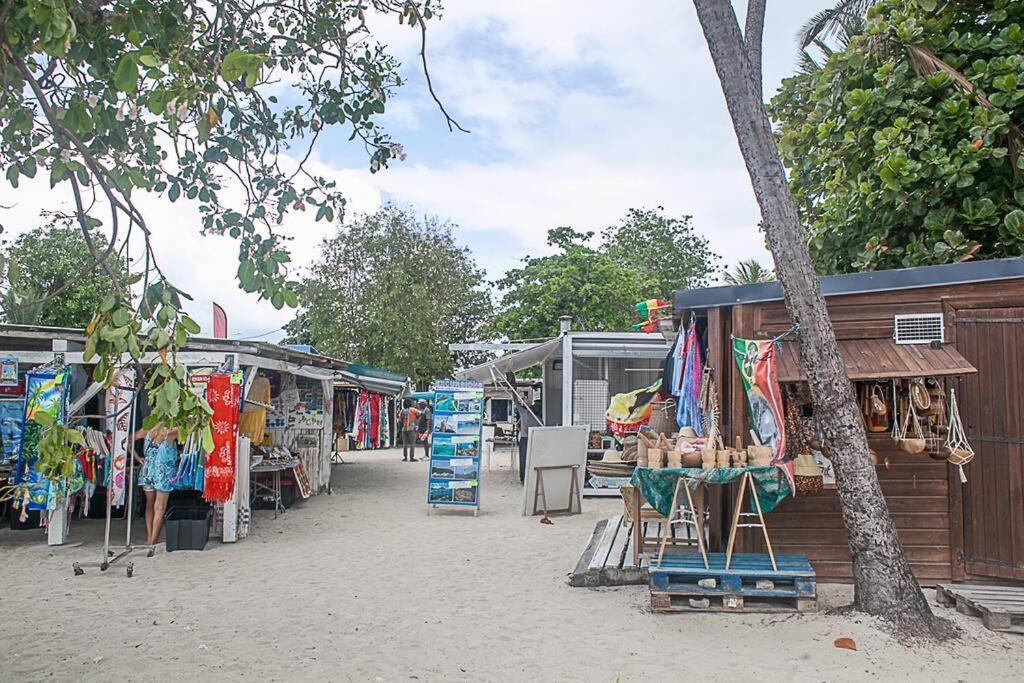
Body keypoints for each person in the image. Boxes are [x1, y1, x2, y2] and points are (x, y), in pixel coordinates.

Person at [133, 424, 179, 546]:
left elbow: (126, 440)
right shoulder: (170, 432)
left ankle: (149, 537)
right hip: (162, 473)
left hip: (147, 471)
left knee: (149, 505)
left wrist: (137, 458)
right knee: (159, 507)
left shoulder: (147, 429)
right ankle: (153, 541)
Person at [516, 400, 542, 484]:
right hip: (534, 440)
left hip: (524, 439)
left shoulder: (524, 414)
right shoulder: (539, 420)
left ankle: (523, 478)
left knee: (523, 459)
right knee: (532, 459)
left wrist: (513, 392)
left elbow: (516, 403)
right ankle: (531, 477)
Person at [400, 398, 420, 462]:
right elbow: (420, 413)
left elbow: (400, 420)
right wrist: (416, 417)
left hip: (404, 428)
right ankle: (411, 457)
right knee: (412, 444)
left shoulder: (402, 410)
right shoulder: (413, 409)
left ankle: (405, 457)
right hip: (411, 428)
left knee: (405, 444)